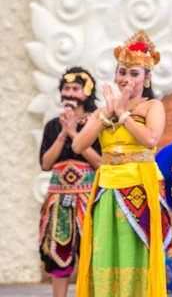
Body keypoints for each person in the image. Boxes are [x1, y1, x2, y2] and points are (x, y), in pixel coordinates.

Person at [73, 29, 172, 297]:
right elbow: (78, 145)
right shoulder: (104, 109)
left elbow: (151, 140)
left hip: (140, 186)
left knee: (134, 252)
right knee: (104, 250)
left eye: (134, 73)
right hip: (107, 188)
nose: (126, 79)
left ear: (147, 77)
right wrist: (107, 114)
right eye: (122, 72)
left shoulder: (153, 107)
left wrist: (123, 113)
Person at [39, 67, 102, 297]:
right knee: (59, 254)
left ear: (87, 91)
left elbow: (100, 163)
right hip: (59, 201)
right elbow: (46, 163)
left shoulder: (96, 124)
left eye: (75, 88)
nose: (70, 93)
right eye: (66, 88)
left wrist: (76, 134)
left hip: (89, 199)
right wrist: (63, 133)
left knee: (92, 252)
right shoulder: (53, 126)